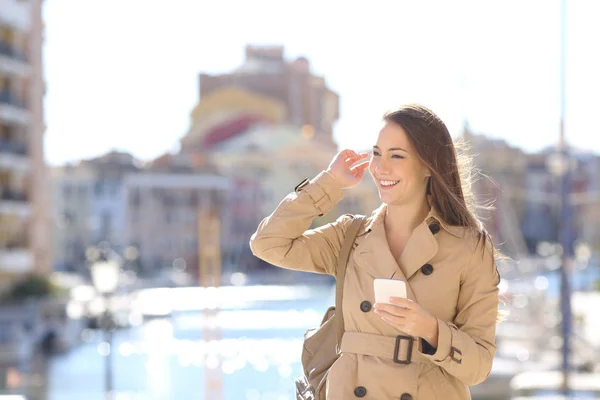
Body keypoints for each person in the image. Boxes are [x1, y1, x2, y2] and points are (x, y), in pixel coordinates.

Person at [249, 104, 501, 399]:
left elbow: (479, 366)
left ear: (427, 166)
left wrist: (429, 329)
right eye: (377, 153)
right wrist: (329, 183)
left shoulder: (469, 246)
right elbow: (267, 243)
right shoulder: (350, 236)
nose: (380, 167)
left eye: (396, 155)